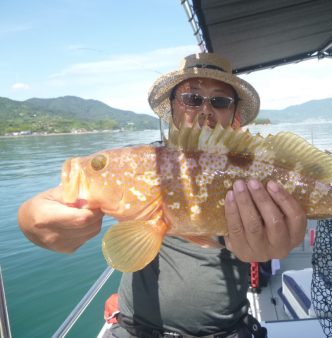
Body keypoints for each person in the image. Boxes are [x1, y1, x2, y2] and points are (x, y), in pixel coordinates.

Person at [18, 53, 307, 337]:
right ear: (173, 106)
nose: (205, 110)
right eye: (192, 98)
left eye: (219, 101)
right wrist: (32, 220)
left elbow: (271, 242)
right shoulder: (144, 160)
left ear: (234, 115)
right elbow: (45, 205)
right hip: (136, 331)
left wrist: (273, 246)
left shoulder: (252, 167)